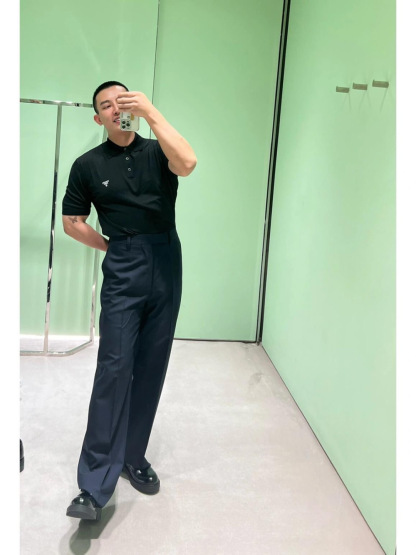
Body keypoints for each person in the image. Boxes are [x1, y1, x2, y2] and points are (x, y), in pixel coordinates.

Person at [62, 81, 197, 521]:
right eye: (107, 105)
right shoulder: (88, 164)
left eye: (123, 101)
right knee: (114, 366)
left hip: (166, 257)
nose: (116, 108)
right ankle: (93, 484)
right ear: (97, 117)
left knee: (152, 363)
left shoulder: (159, 151)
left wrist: (152, 112)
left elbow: (188, 163)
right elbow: (72, 220)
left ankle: (132, 456)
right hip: (124, 262)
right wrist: (111, 247)